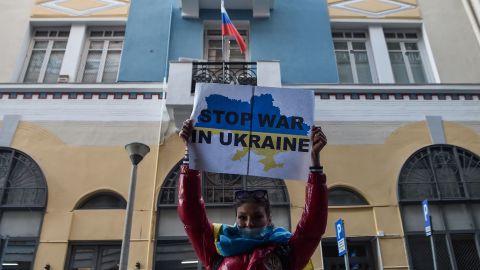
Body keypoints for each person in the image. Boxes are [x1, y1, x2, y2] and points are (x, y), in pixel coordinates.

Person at [178, 119, 328, 270]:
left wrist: (314, 161)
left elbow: (312, 225)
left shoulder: (287, 252)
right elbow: (191, 213)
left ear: (269, 219)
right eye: (242, 217)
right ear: (235, 219)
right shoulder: (217, 249)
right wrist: (189, 154)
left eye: (257, 217)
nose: (249, 223)